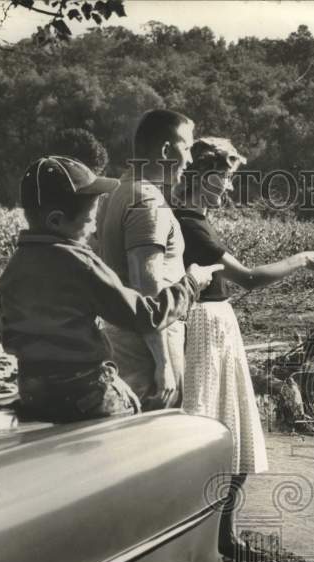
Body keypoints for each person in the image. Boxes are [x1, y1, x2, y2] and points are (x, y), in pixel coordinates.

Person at [173, 137, 314, 556]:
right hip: (206, 327)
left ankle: (222, 536)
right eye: (225, 179)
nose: (229, 189)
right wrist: (300, 259)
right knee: (219, 432)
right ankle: (213, 539)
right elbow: (249, 277)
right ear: (203, 177)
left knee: (233, 435)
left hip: (216, 324)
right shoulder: (189, 219)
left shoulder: (195, 219)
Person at [0, 156, 221, 423]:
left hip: (33, 391)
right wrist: (191, 283)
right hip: (84, 393)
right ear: (56, 221)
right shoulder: (81, 264)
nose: (93, 230)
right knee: (143, 418)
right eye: (90, 219)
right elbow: (145, 316)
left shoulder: (13, 268)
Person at [94, 109, 193, 411]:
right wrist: (163, 364)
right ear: (166, 150)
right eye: (187, 147)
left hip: (120, 339)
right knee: (157, 440)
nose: (190, 159)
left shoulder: (118, 191)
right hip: (146, 350)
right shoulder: (148, 201)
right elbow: (147, 289)